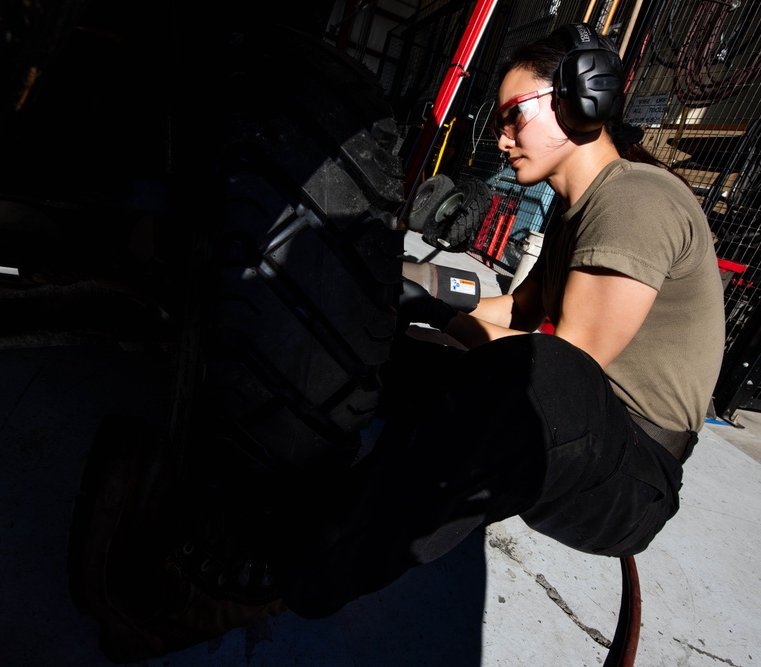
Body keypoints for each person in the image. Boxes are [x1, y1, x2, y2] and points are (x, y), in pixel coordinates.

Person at [274, 22, 726, 619]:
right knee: (401, 347)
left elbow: (569, 360)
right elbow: (514, 310)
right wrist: (398, 294)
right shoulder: (575, 213)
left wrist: (437, 310)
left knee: (533, 374)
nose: (502, 136)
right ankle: (285, 467)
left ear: (580, 99)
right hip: (574, 433)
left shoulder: (637, 199)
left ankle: (298, 576)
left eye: (514, 115)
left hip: (630, 477)